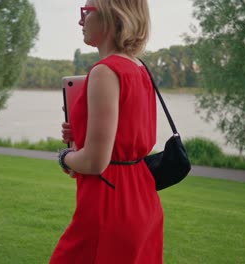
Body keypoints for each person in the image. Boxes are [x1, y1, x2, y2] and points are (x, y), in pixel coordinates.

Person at [50, 0, 163, 263]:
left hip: (108, 204)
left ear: (111, 16)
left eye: (86, 12)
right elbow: (125, 137)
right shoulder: (139, 68)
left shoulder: (105, 72)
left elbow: (94, 162)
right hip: (142, 198)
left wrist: (63, 156)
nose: (80, 20)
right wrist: (80, 136)